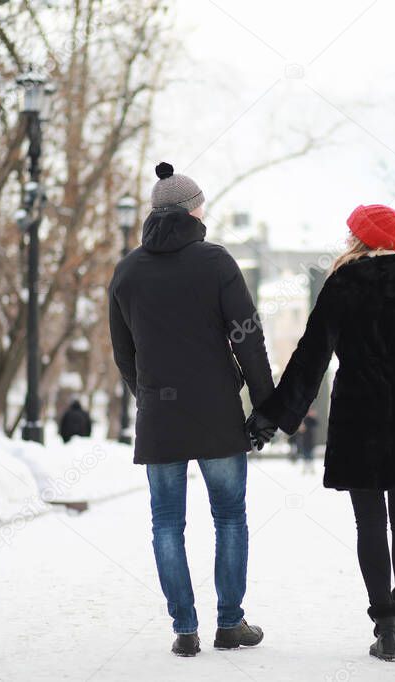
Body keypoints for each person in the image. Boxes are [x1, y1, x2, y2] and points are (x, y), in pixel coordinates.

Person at [247, 204, 395, 662]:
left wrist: (275, 415)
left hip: (359, 415)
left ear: (359, 239)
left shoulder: (342, 285)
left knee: (369, 521)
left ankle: (385, 622)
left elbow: (312, 356)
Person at [108, 162, 273, 657]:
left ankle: (184, 628)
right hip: (217, 413)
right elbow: (248, 337)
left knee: (165, 523)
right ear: (193, 210)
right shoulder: (217, 263)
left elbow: (123, 353)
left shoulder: (127, 271)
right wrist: (265, 406)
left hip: (160, 415)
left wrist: (151, 397)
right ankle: (229, 623)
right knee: (229, 517)